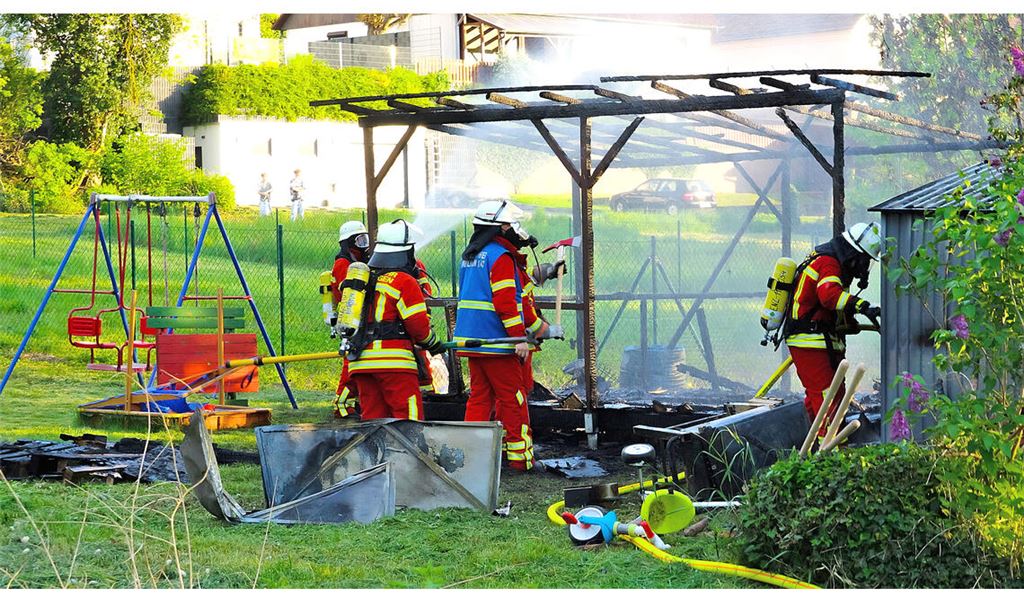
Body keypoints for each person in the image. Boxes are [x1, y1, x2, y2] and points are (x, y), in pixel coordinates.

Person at [454, 200, 562, 471]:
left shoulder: (473, 256)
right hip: (500, 344)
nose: (519, 230)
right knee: (513, 400)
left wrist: (541, 276)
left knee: (480, 399)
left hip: (474, 343)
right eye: (515, 225)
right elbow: (508, 303)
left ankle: (474, 458)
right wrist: (521, 339)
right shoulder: (501, 258)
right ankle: (519, 460)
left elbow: (504, 292)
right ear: (502, 227)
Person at [784, 221, 882, 436]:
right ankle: (827, 451)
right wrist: (863, 306)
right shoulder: (829, 263)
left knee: (832, 394)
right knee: (826, 396)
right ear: (854, 254)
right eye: (865, 260)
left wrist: (851, 320)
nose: (864, 267)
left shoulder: (835, 265)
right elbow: (829, 296)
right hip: (810, 340)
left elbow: (834, 304)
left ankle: (813, 446)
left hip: (822, 339)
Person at [347, 219, 446, 421]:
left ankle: (375, 453)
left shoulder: (366, 278)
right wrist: (434, 344)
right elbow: (418, 328)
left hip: (361, 363)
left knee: (373, 420)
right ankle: (406, 454)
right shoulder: (404, 281)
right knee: (408, 419)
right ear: (406, 253)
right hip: (394, 363)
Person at [329, 220, 371, 417]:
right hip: (351, 321)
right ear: (348, 243)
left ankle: (354, 401)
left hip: (360, 319)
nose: (364, 245)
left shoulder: (354, 263)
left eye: (365, 240)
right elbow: (349, 292)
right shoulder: (343, 264)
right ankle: (341, 403)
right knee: (351, 366)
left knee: (359, 364)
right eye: (360, 240)